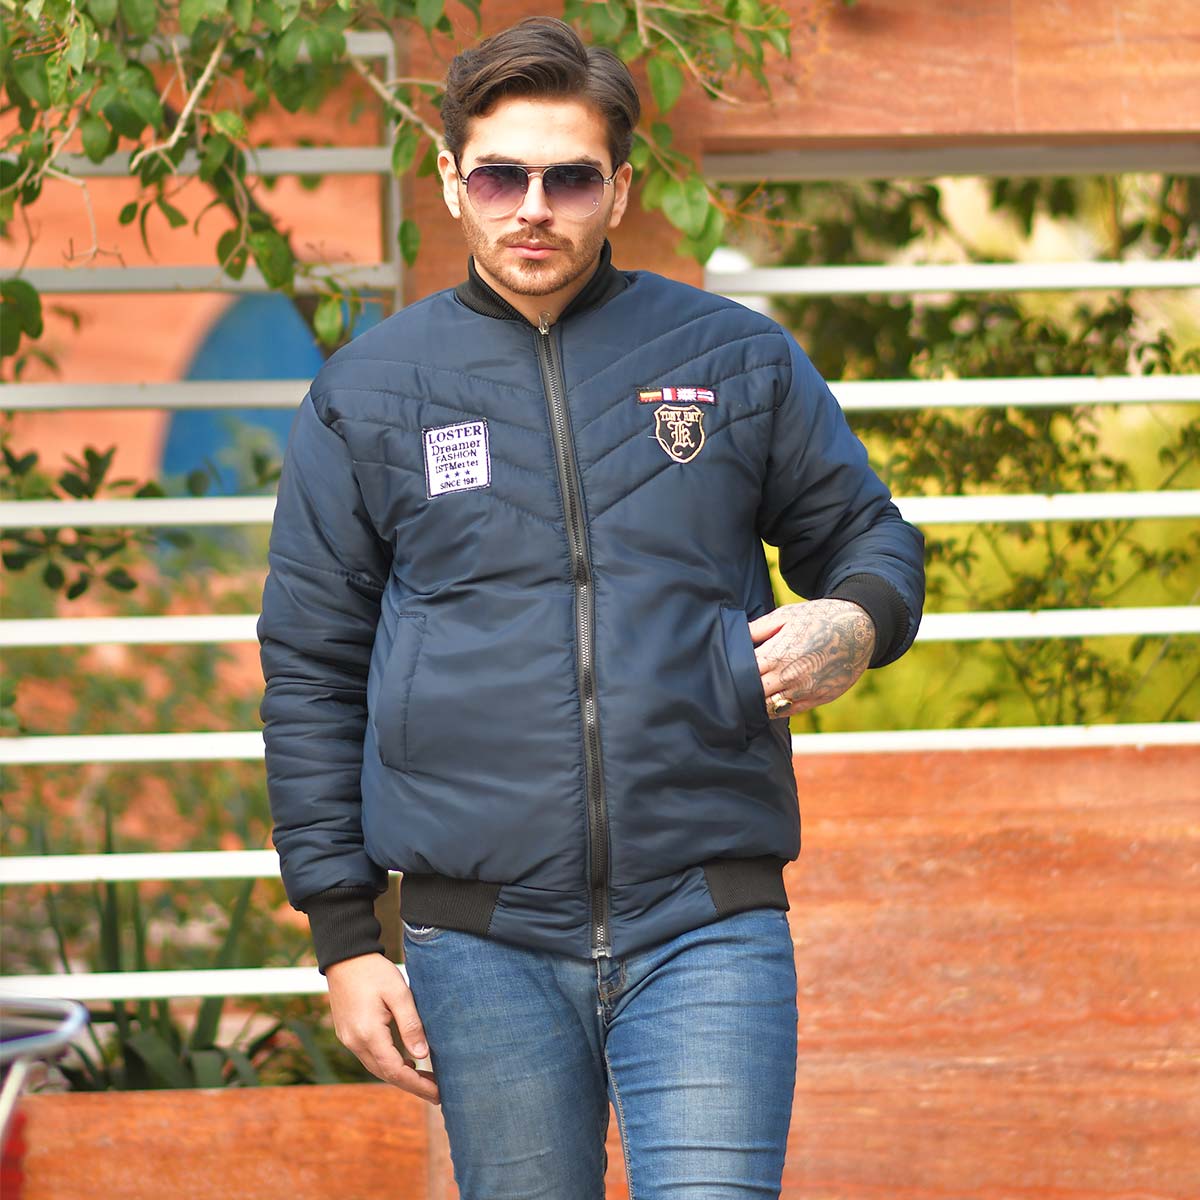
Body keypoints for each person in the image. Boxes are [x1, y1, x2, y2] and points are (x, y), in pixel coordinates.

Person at [258, 16, 924, 1198]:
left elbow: (872, 539)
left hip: (707, 915)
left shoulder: (734, 360)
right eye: (501, 177)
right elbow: (312, 667)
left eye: (568, 178)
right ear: (452, 179)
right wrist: (345, 940)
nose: (533, 208)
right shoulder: (368, 395)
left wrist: (856, 622)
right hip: (479, 941)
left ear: (617, 188)